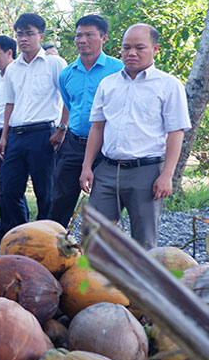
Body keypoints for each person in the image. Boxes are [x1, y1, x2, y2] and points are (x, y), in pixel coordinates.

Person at [80, 24, 190, 248]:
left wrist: (167, 175)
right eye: (126, 47)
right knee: (94, 237)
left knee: (144, 240)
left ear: (155, 49)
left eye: (140, 48)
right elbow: (98, 128)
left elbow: (176, 133)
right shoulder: (108, 84)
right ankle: (95, 282)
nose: (131, 53)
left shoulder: (169, 85)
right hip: (108, 171)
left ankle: (139, 283)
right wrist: (87, 166)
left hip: (146, 173)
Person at [0, 14, 66, 246]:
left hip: (43, 135)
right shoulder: (13, 68)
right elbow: (9, 103)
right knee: (9, 190)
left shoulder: (55, 63)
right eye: (19, 34)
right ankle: (22, 236)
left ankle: (47, 241)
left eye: (29, 33)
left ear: (41, 36)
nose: (23, 39)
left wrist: (62, 129)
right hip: (16, 135)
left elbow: (68, 98)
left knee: (44, 192)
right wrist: (4, 136)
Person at [48, 15, 123, 227]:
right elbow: (71, 106)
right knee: (61, 199)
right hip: (74, 143)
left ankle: (97, 252)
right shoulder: (67, 74)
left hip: (106, 146)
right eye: (79, 35)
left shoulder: (118, 70)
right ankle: (53, 246)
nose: (82, 40)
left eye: (89, 35)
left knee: (103, 205)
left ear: (104, 38)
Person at [0, 35, 28, 251]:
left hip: (11, 135)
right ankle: (5, 232)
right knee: (3, 187)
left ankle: (22, 234)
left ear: (10, 53)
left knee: (13, 188)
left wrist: (6, 135)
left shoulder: (18, 73)